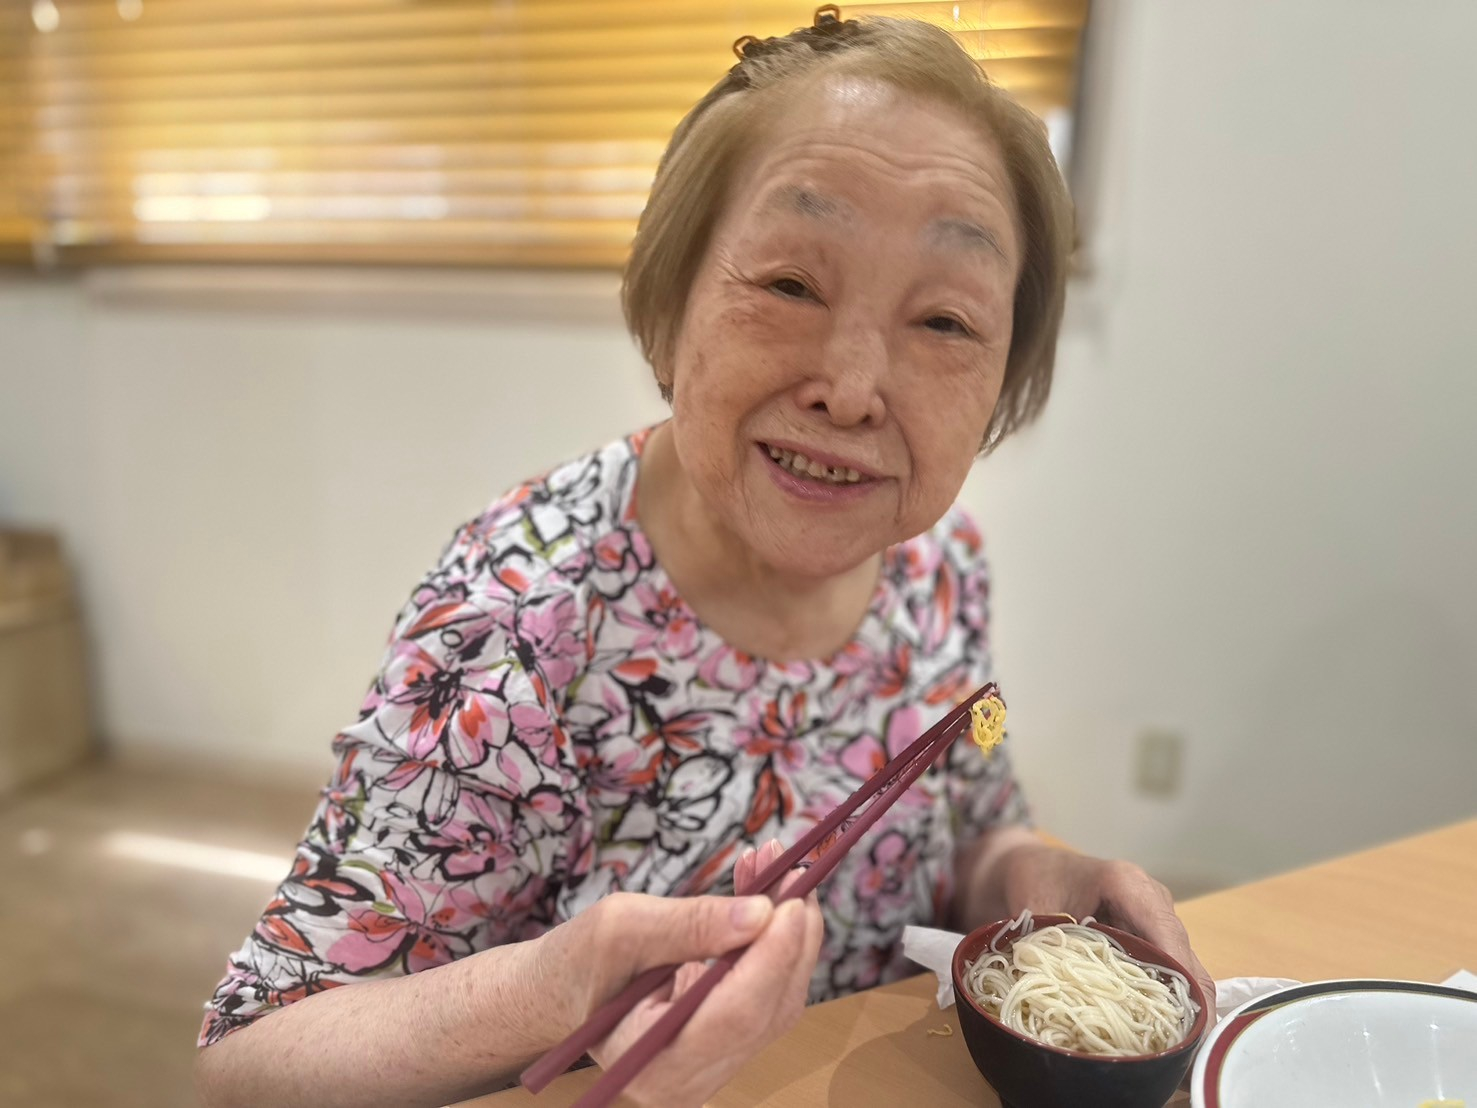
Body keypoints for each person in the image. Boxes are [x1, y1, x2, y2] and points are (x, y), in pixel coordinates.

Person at [195, 13, 1213, 1108]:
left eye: (946, 323)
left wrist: (1029, 874)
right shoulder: (519, 620)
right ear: (669, 301)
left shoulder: (937, 563)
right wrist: (553, 993)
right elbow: (250, 1062)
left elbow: (964, 817)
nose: (852, 389)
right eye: (789, 285)